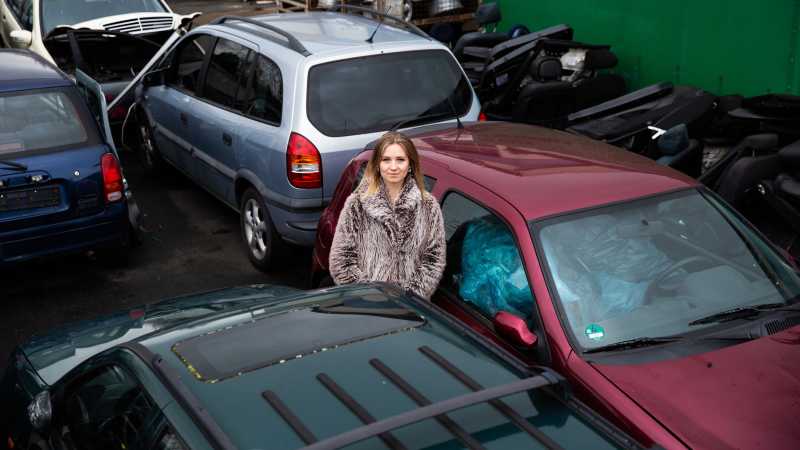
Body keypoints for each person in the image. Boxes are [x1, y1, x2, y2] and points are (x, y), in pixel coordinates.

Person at [329, 131, 446, 299]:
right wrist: (371, 296)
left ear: (410, 164)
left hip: (410, 307)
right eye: (386, 160)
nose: (393, 167)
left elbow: (433, 258)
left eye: (400, 160)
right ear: (377, 164)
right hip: (366, 307)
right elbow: (341, 260)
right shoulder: (357, 204)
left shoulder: (428, 206)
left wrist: (411, 296)